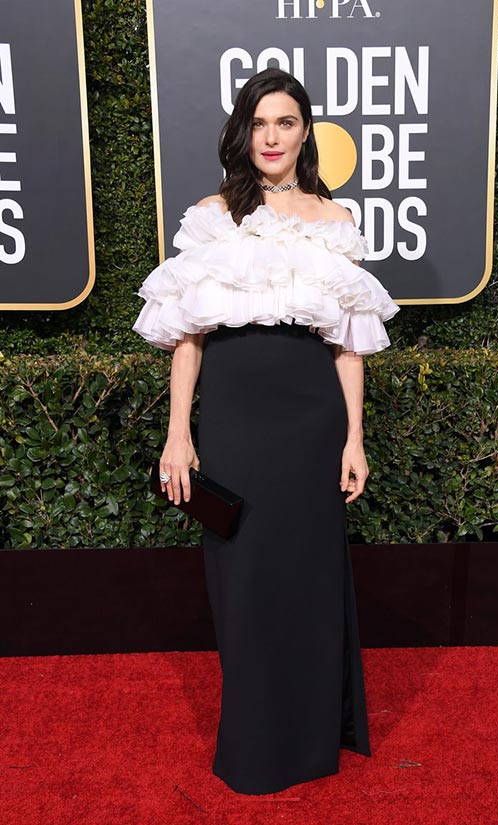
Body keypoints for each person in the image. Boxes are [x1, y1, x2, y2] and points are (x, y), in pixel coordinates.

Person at [132, 67, 400, 795]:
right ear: (243, 133)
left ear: (306, 132)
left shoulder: (335, 219)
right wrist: (178, 433)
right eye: (259, 123)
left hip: (311, 420)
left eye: (284, 122)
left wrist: (354, 438)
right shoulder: (211, 215)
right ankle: (252, 744)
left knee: (306, 577)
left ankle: (313, 739)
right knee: (243, 577)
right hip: (237, 419)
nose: (271, 136)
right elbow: (187, 336)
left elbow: (347, 343)